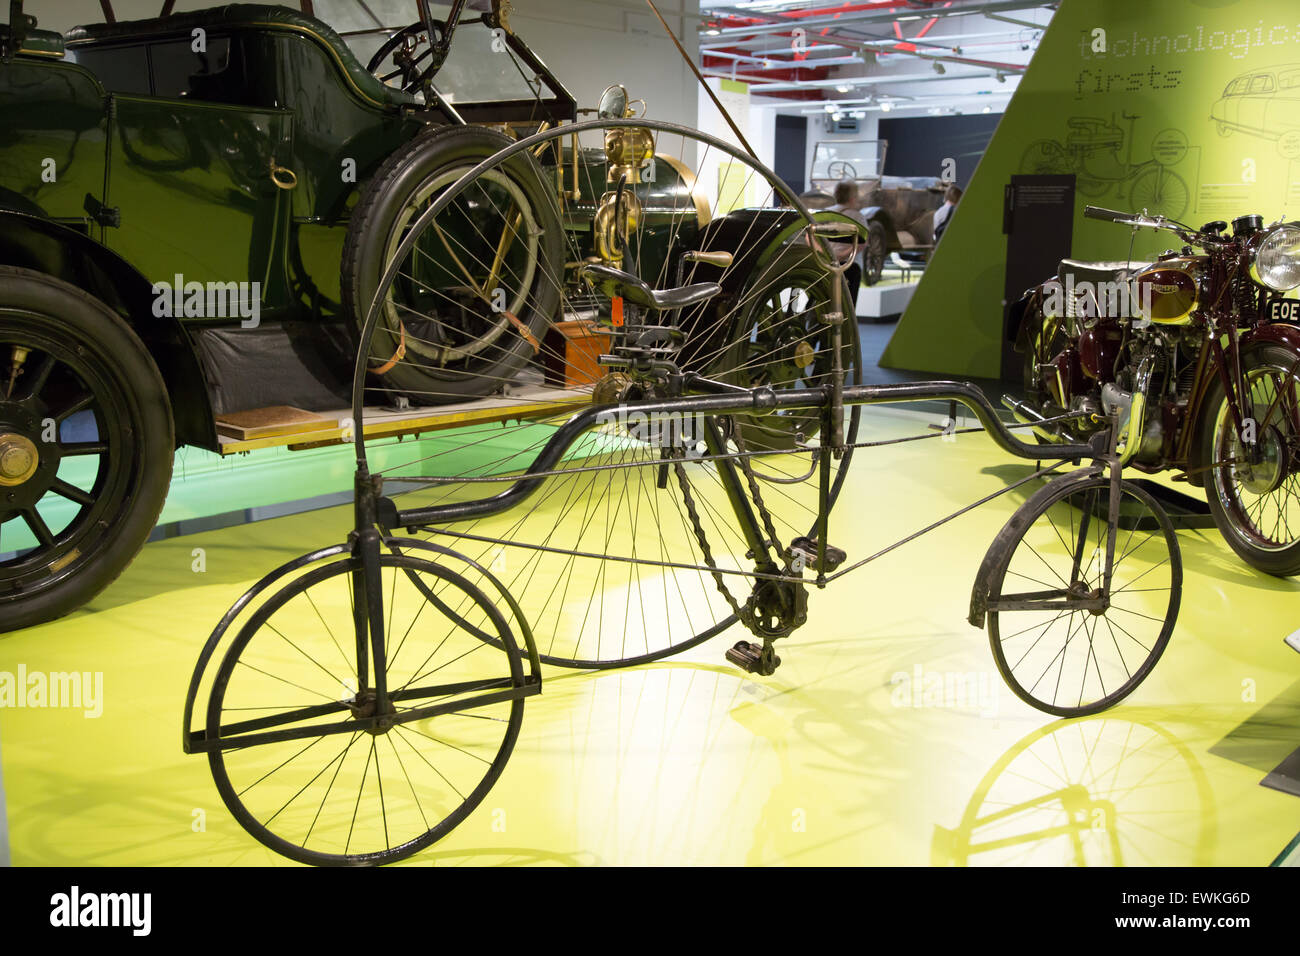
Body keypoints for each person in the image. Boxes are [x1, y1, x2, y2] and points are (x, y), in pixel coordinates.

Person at [827, 181, 866, 304]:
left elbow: (810, 237)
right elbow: (862, 243)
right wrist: (842, 255)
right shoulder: (857, 217)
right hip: (849, 266)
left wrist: (827, 254)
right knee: (848, 304)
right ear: (853, 197)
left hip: (826, 263)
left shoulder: (825, 213)